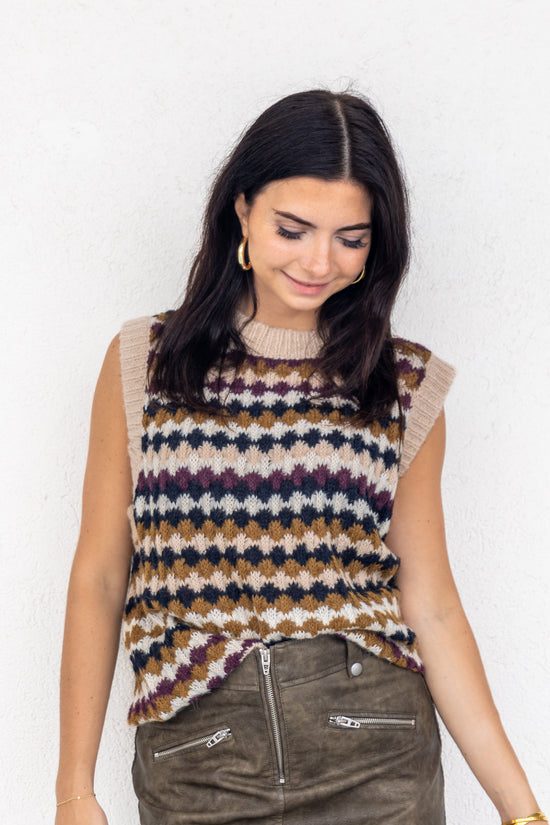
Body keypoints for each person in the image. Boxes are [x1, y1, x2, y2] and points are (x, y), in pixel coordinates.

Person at [55, 90, 545, 825]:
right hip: (199, 760)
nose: (320, 261)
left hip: (379, 752)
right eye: (293, 229)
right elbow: (99, 576)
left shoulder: (402, 384)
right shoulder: (144, 361)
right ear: (242, 211)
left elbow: (433, 605)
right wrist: (73, 790)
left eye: (351, 238)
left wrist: (522, 811)